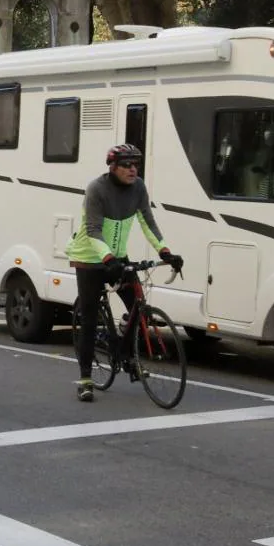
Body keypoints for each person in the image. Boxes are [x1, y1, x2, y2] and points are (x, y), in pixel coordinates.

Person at [66, 144, 183, 402]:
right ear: (113, 167)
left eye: (136, 165)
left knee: (137, 305)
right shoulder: (96, 189)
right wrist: (107, 258)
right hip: (89, 257)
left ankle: (126, 353)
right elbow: (94, 229)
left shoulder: (138, 187)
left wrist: (165, 252)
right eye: (127, 165)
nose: (133, 170)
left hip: (116, 257)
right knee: (88, 318)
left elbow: (147, 221)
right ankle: (85, 379)